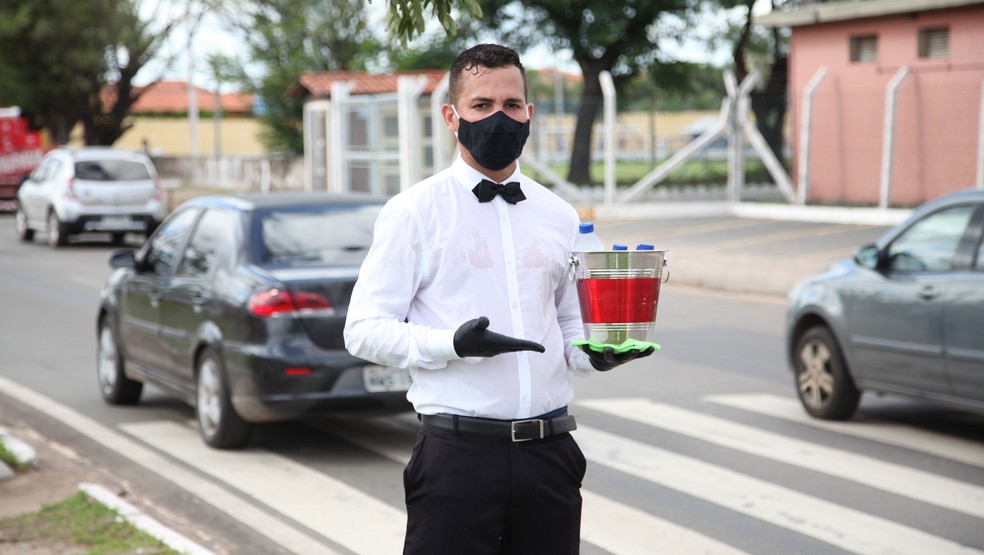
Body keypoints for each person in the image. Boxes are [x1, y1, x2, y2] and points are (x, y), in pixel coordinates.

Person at [343, 43, 653, 555]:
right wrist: (453, 345)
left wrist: (598, 353)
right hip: (457, 457)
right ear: (452, 116)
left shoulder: (559, 215)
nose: (498, 117)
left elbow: (571, 325)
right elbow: (362, 329)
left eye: (511, 106)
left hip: (550, 455)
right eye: (481, 106)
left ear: (529, 114)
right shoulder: (414, 212)